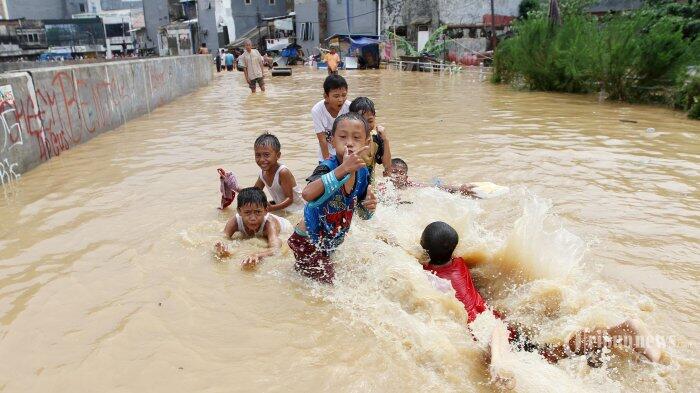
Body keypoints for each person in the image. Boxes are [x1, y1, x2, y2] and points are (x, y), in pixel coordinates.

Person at [419, 221, 662, 389]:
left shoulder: (425, 273)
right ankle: (620, 331)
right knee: (548, 351)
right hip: (498, 322)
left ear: (425, 248)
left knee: (549, 355)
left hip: (484, 331)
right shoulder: (460, 264)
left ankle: (498, 355)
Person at [288, 113, 378, 284]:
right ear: (332, 140)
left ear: (367, 143)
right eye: (343, 137)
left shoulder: (363, 172)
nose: (349, 142)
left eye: (356, 137)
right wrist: (343, 169)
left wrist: (369, 207)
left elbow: (362, 213)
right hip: (307, 241)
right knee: (331, 286)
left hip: (330, 242)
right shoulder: (327, 168)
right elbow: (307, 194)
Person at [215, 187, 294, 268]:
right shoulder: (234, 221)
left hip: (286, 227)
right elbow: (223, 237)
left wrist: (258, 255)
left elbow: (276, 248)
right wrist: (221, 247)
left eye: (258, 212)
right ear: (239, 211)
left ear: (266, 210)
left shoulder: (269, 224)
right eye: (247, 212)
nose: (253, 218)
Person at [252, 133, 304, 213]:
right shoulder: (263, 174)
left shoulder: (283, 172)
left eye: (266, 155)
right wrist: (234, 186)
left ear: (278, 155)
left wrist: (271, 208)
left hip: (298, 210)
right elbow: (253, 193)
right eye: (258, 155)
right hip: (282, 209)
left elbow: (289, 199)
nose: (262, 159)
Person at [349, 97, 392, 179]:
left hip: (370, 187)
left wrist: (385, 140)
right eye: (362, 121)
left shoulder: (376, 139)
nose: (366, 126)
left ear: (375, 117)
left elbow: (387, 167)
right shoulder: (349, 142)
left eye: (370, 121)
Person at [389, 158, 477, 197]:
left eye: (401, 173)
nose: (398, 175)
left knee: (437, 183)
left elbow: (435, 188)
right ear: (386, 174)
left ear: (406, 177)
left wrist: (459, 189)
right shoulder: (383, 187)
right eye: (394, 172)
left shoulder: (410, 185)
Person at [311, 75, 350, 161]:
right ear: (326, 96)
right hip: (326, 154)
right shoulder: (317, 110)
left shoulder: (349, 107)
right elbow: (322, 140)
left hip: (346, 154)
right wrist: (327, 162)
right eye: (336, 96)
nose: (341, 99)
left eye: (344, 95)